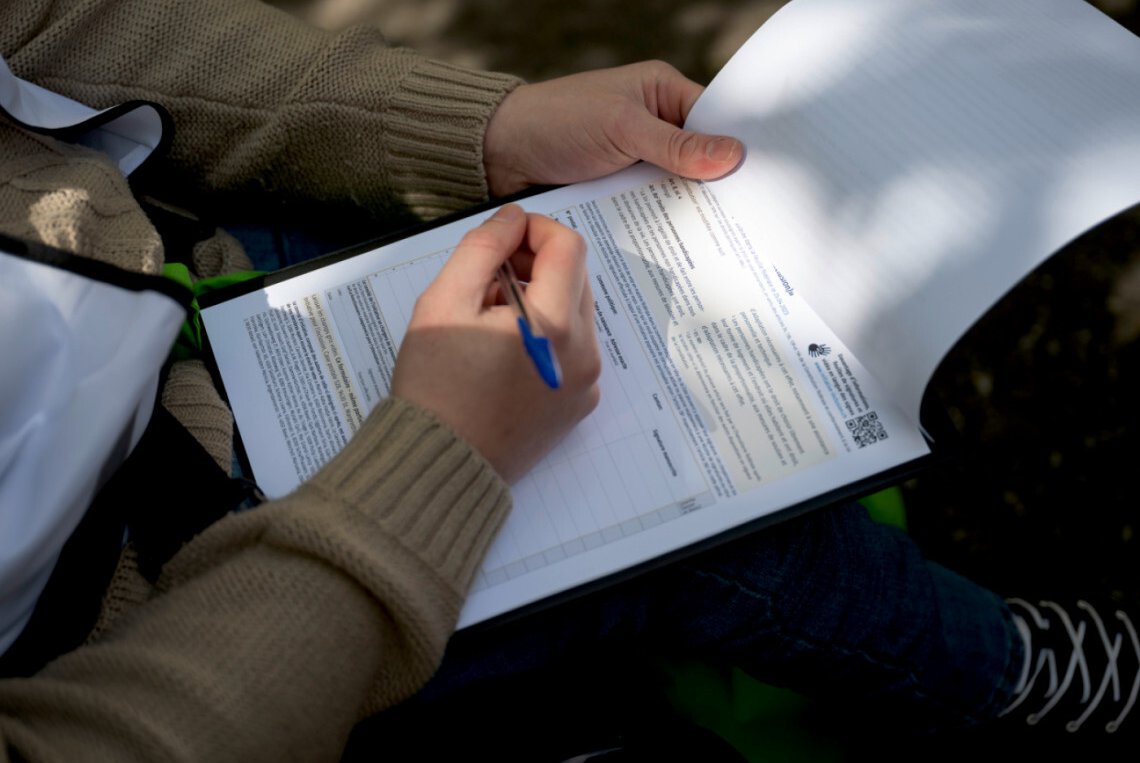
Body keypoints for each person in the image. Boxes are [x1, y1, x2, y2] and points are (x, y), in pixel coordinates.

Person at [0, 1, 1135, 761]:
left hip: (209, 288)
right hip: (182, 601)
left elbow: (49, 27)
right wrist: (438, 459)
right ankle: (1006, 670)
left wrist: (484, 129)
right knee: (722, 513)